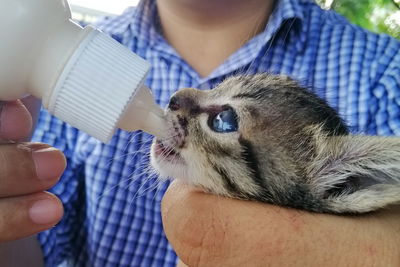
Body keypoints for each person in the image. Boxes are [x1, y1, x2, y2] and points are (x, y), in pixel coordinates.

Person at [1, 0, 399, 266]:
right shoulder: (53, 79)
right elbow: (36, 246)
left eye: (225, 120)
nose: (181, 97)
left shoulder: (385, 75)